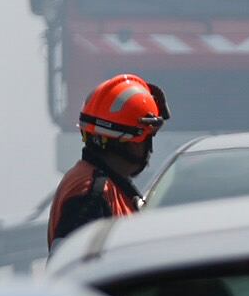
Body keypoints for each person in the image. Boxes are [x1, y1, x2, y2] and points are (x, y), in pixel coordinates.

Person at [46, 74, 169, 251]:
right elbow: (74, 267)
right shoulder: (91, 195)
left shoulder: (102, 186)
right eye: (148, 137)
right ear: (131, 142)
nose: (148, 149)